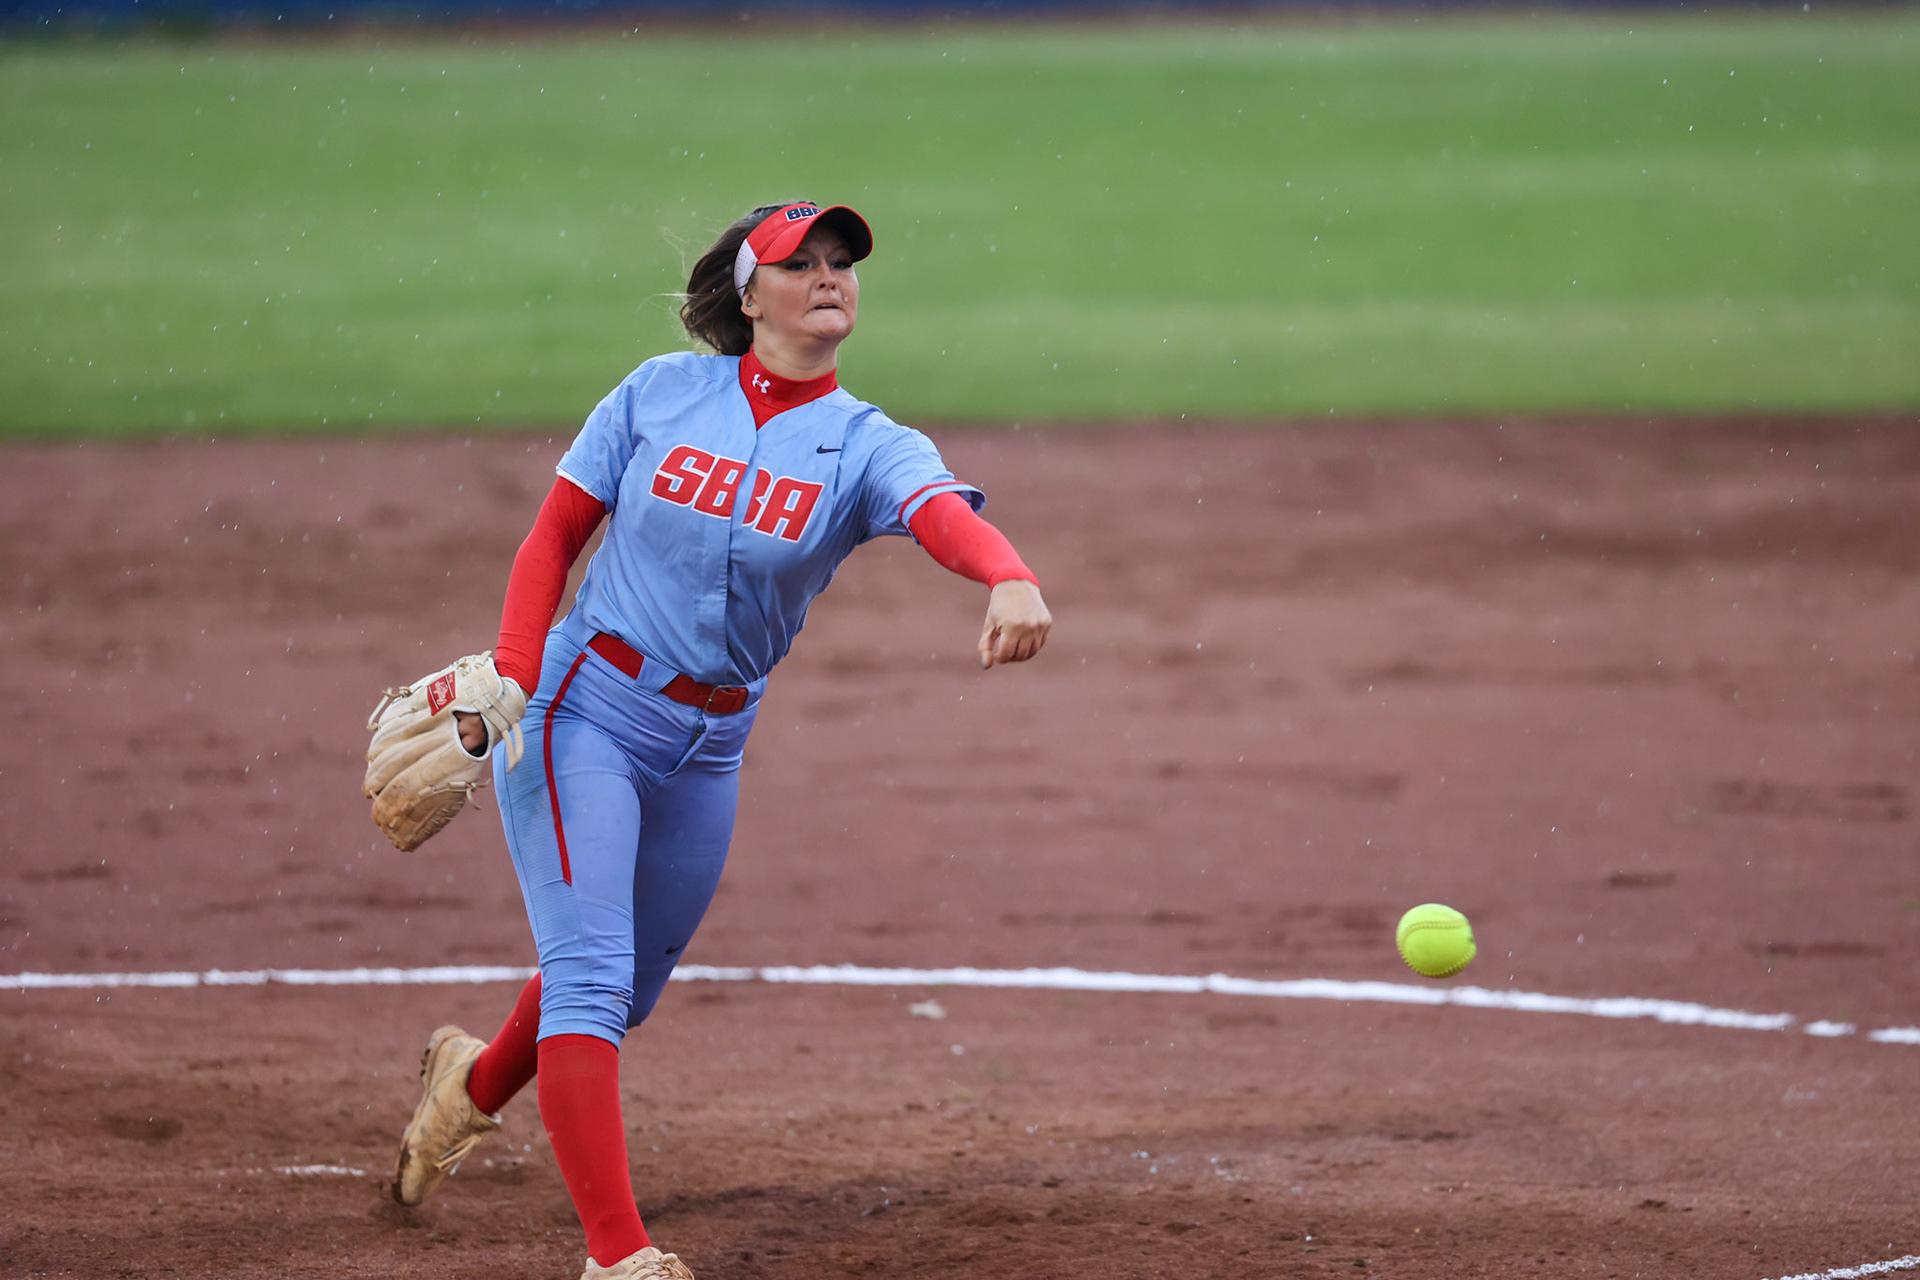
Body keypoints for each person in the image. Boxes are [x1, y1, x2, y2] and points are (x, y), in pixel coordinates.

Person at [388, 201, 1052, 1280]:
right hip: (582, 709)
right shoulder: (658, 394)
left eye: (842, 263)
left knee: (622, 989)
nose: (829, 276)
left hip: (709, 744)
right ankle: (619, 1257)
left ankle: (466, 1088)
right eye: (801, 263)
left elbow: (938, 510)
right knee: (593, 979)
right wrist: (514, 667)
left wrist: (1006, 572)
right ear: (749, 296)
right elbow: (556, 532)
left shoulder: (865, 442)